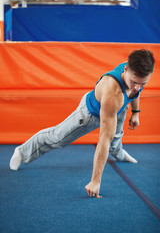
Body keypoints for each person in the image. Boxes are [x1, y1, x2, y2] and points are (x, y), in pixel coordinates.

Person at [10, 49, 155, 198]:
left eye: (143, 83)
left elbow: (136, 91)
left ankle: (118, 154)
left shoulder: (135, 71)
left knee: (116, 137)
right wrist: (95, 181)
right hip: (90, 114)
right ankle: (22, 152)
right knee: (58, 138)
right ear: (126, 69)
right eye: (134, 83)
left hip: (118, 108)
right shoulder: (114, 93)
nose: (137, 87)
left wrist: (136, 112)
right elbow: (104, 139)